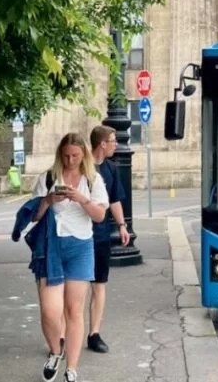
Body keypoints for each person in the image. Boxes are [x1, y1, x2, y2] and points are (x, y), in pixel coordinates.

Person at [32, 133, 107, 382]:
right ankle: (56, 351)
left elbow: (99, 216)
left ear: (84, 154)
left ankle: (72, 369)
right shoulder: (48, 178)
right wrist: (48, 200)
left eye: (75, 155)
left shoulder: (93, 179)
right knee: (50, 312)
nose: (70, 160)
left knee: (74, 311)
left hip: (80, 248)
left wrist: (82, 199)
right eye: (65, 155)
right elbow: (33, 217)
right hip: (51, 248)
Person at [86, 126, 130, 354]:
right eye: (113, 141)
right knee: (74, 287)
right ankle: (63, 335)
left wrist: (122, 226)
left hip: (101, 236)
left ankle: (94, 333)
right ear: (102, 144)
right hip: (80, 236)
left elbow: (114, 200)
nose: (116, 144)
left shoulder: (111, 168)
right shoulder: (82, 167)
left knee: (99, 284)